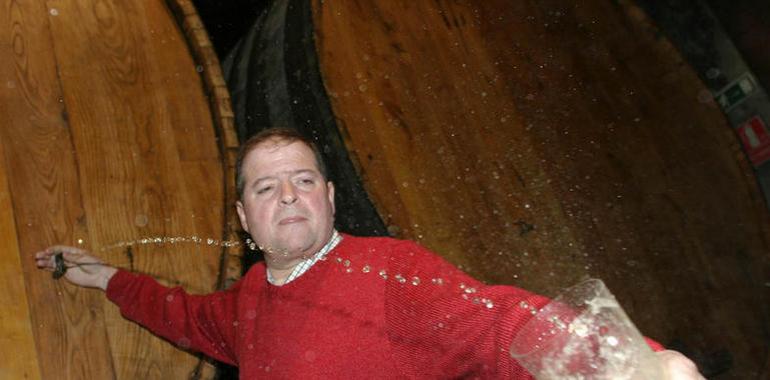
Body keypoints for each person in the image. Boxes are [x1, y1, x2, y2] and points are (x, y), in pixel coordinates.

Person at [36, 128, 704, 379]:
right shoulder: (249, 302)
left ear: (329, 197)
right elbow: (184, 315)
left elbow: (499, 322)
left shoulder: (386, 269)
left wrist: (621, 365)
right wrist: (104, 277)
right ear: (246, 219)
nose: (289, 195)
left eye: (304, 180)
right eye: (266, 187)